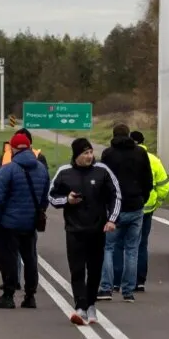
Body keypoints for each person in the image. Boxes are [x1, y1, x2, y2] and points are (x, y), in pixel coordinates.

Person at [48, 137, 121, 326]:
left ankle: (91, 305)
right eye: (85, 153)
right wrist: (67, 200)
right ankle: (80, 306)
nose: (89, 156)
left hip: (97, 229)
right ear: (76, 155)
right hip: (74, 229)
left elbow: (116, 195)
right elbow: (51, 196)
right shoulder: (65, 173)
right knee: (77, 269)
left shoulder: (102, 171)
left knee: (95, 270)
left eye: (90, 152)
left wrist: (112, 219)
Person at [0, 130, 47, 309]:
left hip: (9, 223)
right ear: (29, 147)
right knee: (30, 259)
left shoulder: (8, 169)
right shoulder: (41, 168)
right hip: (30, 223)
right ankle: (30, 296)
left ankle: (8, 294)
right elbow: (44, 196)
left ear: (12, 148)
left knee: (8, 259)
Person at [97, 123, 153, 302]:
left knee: (109, 248)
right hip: (135, 205)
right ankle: (129, 291)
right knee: (132, 249)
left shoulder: (108, 154)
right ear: (129, 135)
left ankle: (106, 287)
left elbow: (102, 180)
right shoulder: (140, 153)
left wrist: (105, 202)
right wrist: (142, 198)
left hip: (114, 208)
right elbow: (148, 180)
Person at [130, 130, 169, 292]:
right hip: (148, 208)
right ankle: (140, 281)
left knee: (126, 245)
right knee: (142, 245)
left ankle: (122, 281)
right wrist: (157, 202)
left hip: (130, 207)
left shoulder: (127, 157)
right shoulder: (153, 160)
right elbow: (164, 185)